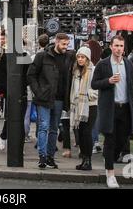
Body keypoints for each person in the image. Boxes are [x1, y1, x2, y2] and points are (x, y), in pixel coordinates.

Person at [91, 35, 133, 188]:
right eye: (116, 46)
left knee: (122, 140)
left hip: (125, 107)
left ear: (124, 48)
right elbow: (94, 84)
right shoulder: (103, 64)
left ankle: (108, 158)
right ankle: (110, 173)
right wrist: (108, 81)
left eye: (121, 46)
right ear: (111, 47)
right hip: (110, 108)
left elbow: (132, 84)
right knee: (110, 140)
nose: (119, 49)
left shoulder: (129, 64)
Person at [27, 33, 75, 169]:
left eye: (67, 44)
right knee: (43, 127)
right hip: (45, 98)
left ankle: (50, 157)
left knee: (54, 129)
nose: (66, 47)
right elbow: (31, 75)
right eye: (63, 44)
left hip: (59, 99)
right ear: (56, 42)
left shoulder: (68, 57)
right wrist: (39, 92)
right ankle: (42, 157)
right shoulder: (42, 56)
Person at [69, 46, 98, 171]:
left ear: (88, 58)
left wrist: (89, 94)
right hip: (78, 106)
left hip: (90, 105)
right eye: (79, 57)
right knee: (80, 133)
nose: (80, 60)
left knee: (87, 133)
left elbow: (97, 88)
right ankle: (84, 159)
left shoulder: (93, 70)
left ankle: (88, 160)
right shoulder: (76, 71)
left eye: (83, 57)